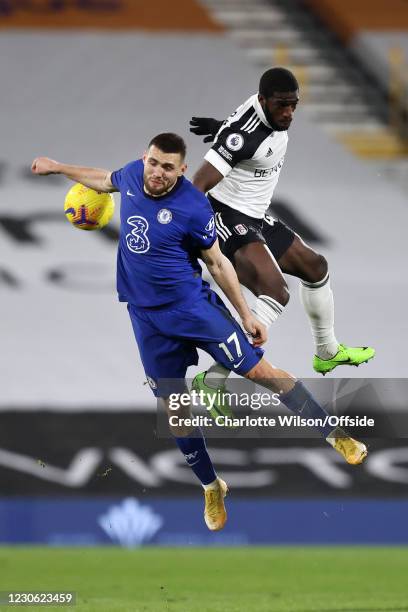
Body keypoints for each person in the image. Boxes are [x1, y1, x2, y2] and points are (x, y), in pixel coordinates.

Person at [31, 133, 367, 532]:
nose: (157, 173)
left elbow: (219, 264)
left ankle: (334, 434)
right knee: (175, 412)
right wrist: (58, 167)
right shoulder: (134, 176)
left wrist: (246, 314)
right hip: (147, 319)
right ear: (145, 158)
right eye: (153, 163)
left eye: (167, 167)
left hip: (193, 309)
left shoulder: (193, 206)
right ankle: (212, 486)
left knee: (262, 373)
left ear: (182, 170)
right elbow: (104, 179)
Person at [189, 67, 375, 411]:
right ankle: (212, 379)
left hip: (255, 214)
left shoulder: (260, 119)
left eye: (293, 105)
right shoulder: (244, 136)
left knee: (315, 267)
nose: (288, 113)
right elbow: (196, 187)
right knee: (276, 292)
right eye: (281, 105)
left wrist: (224, 133)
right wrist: (192, 237)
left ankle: (327, 351)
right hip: (228, 215)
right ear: (263, 101)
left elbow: (244, 135)